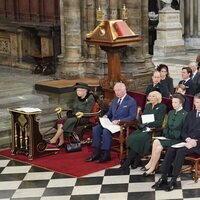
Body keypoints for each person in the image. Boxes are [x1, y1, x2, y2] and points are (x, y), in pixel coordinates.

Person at [152, 93, 200, 192]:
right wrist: (188, 139)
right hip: (187, 141)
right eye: (195, 102)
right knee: (171, 149)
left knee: (181, 151)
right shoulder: (191, 114)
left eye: (199, 102)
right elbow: (184, 131)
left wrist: (196, 141)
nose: (197, 105)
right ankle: (164, 177)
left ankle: (173, 180)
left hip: (198, 144)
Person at [86, 82, 137, 163]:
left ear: (124, 90)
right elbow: (110, 112)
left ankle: (106, 154)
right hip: (111, 123)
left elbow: (132, 116)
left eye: (119, 90)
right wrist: (106, 116)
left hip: (122, 124)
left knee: (106, 131)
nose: (117, 92)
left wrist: (120, 121)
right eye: (115, 91)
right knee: (96, 129)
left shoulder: (131, 101)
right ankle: (97, 152)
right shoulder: (115, 100)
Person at [142, 93, 187, 176]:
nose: (173, 104)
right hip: (169, 137)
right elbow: (166, 126)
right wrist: (166, 134)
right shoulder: (171, 112)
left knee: (156, 142)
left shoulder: (185, 114)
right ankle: (152, 166)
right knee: (158, 146)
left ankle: (151, 167)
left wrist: (174, 135)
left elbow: (184, 130)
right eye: (172, 102)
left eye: (175, 102)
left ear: (181, 103)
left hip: (177, 139)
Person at [120, 91, 166, 171]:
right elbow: (142, 118)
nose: (150, 98)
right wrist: (142, 124)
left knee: (138, 138)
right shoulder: (148, 106)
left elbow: (159, 122)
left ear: (157, 98)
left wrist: (147, 124)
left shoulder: (162, 107)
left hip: (153, 131)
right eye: (150, 96)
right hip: (144, 128)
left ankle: (128, 162)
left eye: (153, 96)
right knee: (131, 137)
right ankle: (136, 160)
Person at [49, 82, 95, 147]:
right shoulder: (77, 97)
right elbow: (73, 108)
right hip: (74, 115)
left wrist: (80, 113)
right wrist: (62, 109)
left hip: (83, 117)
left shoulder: (90, 98)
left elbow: (88, 111)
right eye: (77, 90)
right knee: (60, 121)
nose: (77, 92)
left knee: (68, 121)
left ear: (85, 91)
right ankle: (61, 141)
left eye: (79, 90)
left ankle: (54, 139)